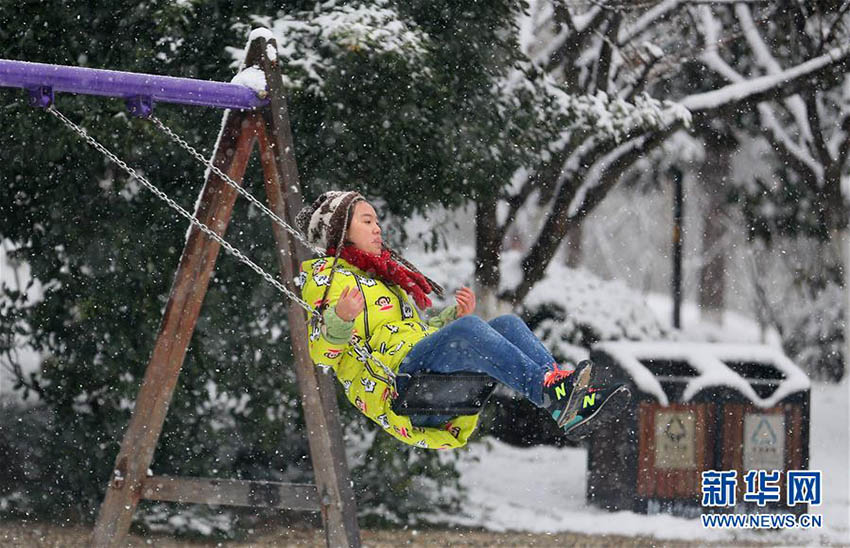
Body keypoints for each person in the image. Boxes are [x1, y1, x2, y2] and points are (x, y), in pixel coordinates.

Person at [295, 190, 630, 449]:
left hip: (418, 369)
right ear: (339, 230)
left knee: (507, 324)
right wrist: (340, 319)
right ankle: (553, 393)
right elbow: (322, 354)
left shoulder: (383, 281)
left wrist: (450, 319)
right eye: (366, 221)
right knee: (470, 330)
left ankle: (561, 397)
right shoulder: (327, 280)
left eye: (377, 221)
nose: (377, 228)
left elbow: (408, 336)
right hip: (398, 386)